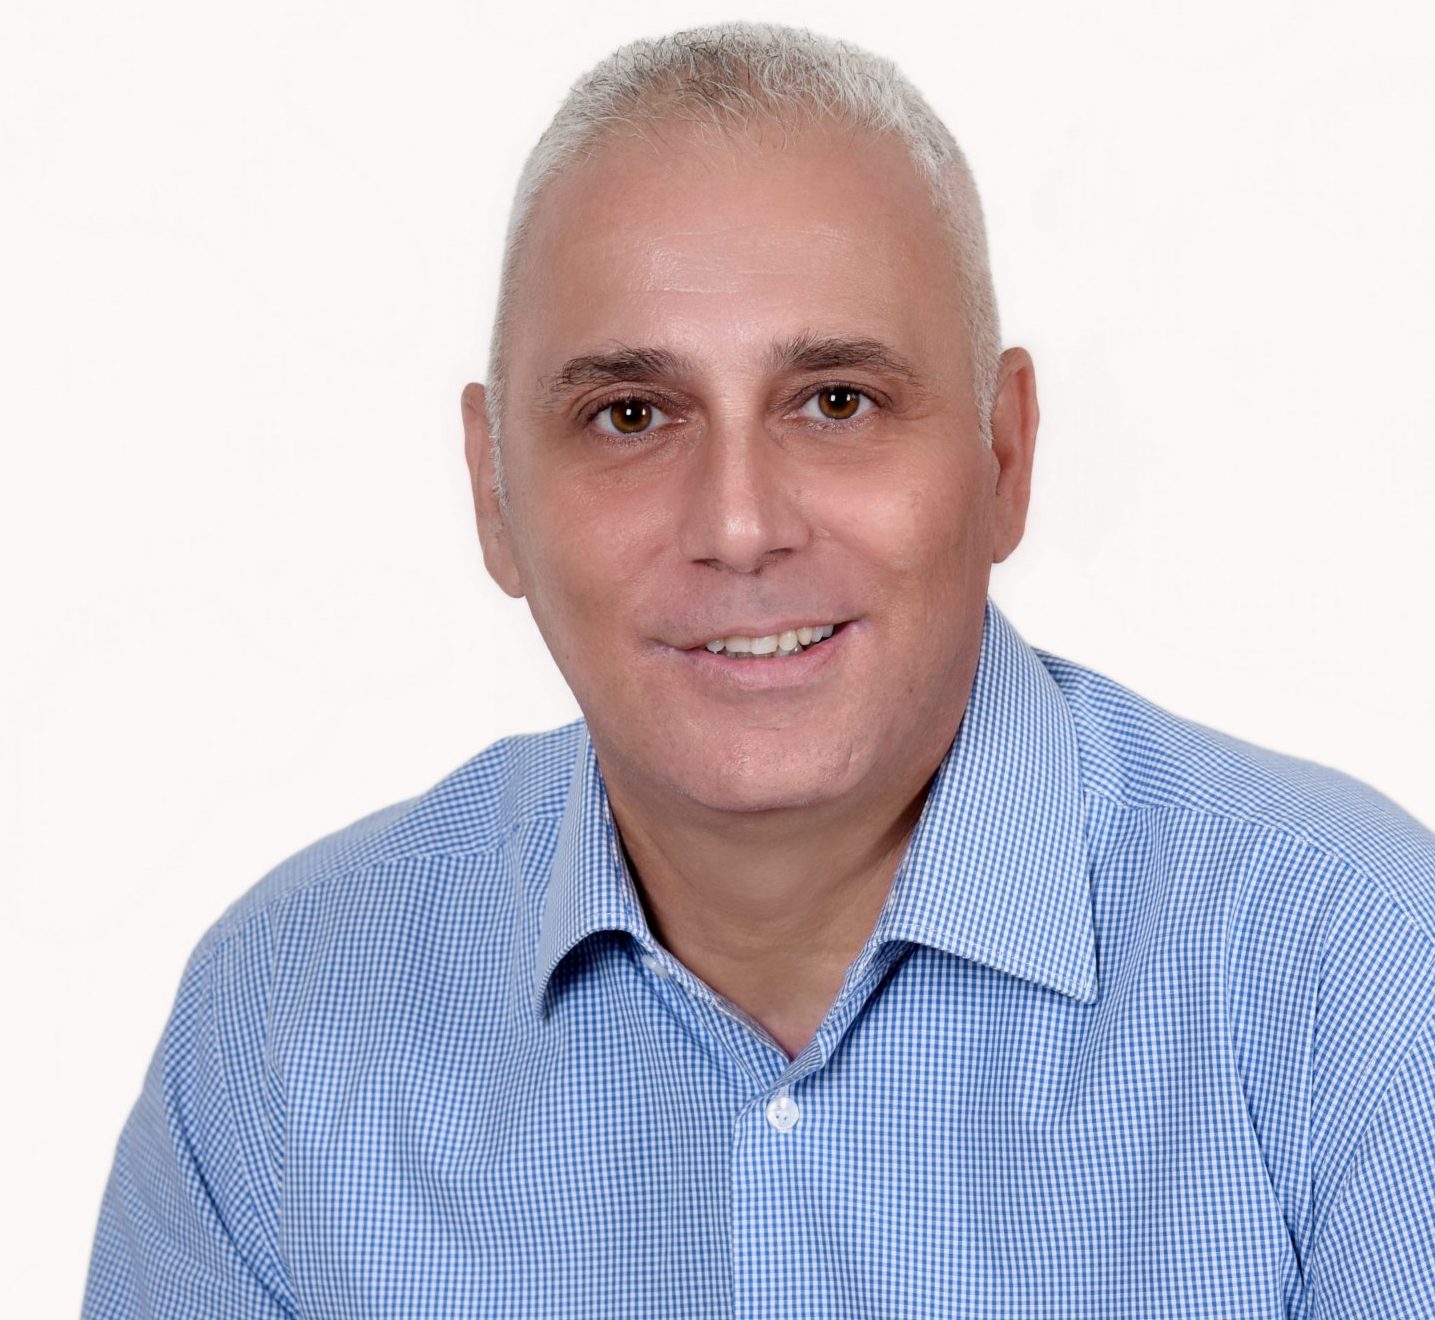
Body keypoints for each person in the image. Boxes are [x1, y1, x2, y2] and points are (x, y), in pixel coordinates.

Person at [83, 20, 1434, 1319]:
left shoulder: (1363, 974)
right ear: (493, 495)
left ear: (1004, 455)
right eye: (631, 414)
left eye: (838, 401)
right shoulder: (284, 1020)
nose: (738, 525)